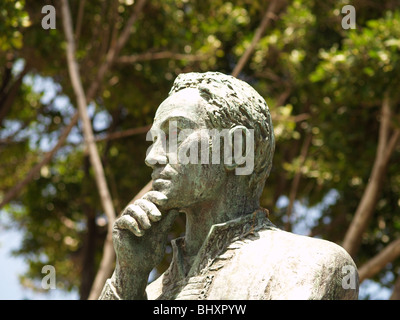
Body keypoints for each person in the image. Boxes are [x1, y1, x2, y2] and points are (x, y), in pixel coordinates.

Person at [99, 72, 358, 300]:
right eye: (154, 140)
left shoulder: (309, 266)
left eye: (175, 134)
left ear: (235, 149)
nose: (152, 156)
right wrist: (130, 279)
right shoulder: (148, 293)